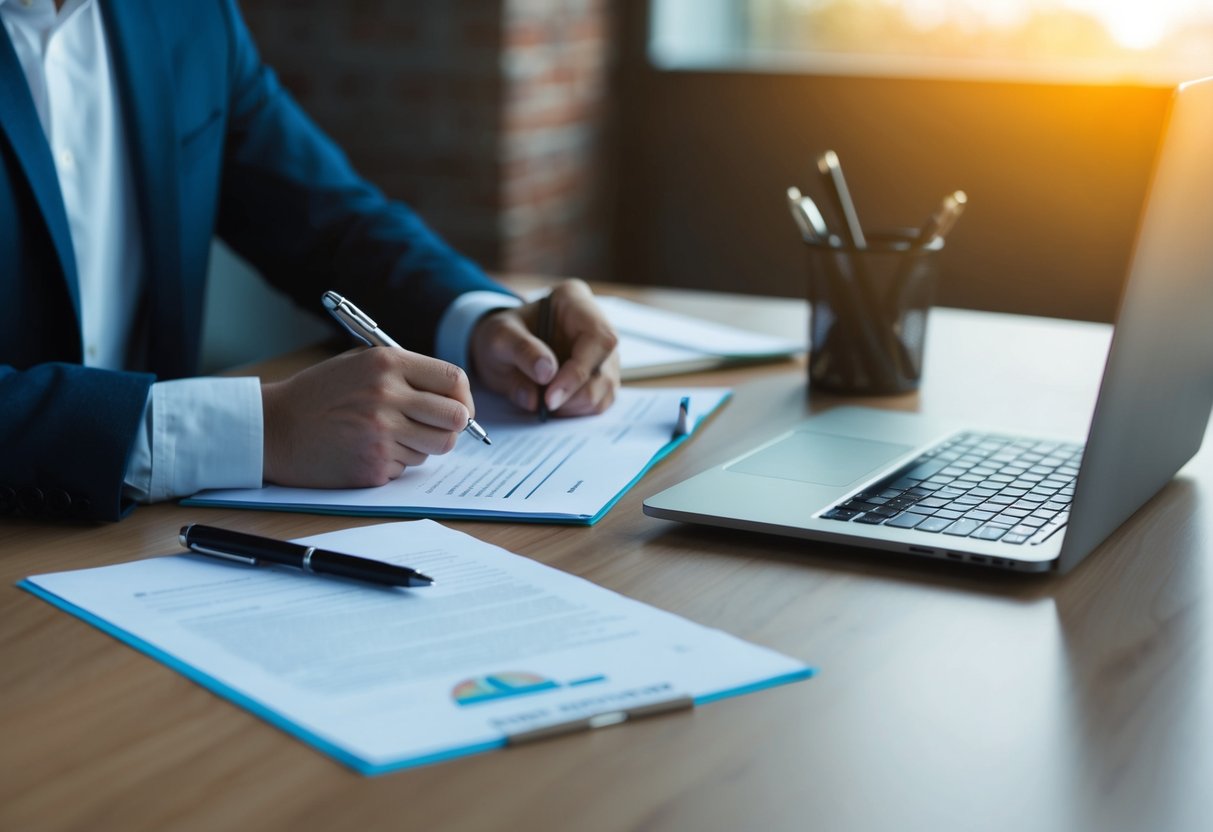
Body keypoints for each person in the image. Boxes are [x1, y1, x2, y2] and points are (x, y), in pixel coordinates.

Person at [0, 0, 620, 522]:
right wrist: (260, 428)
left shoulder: (184, 14)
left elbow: (327, 217)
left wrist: (481, 322)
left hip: (155, 539)